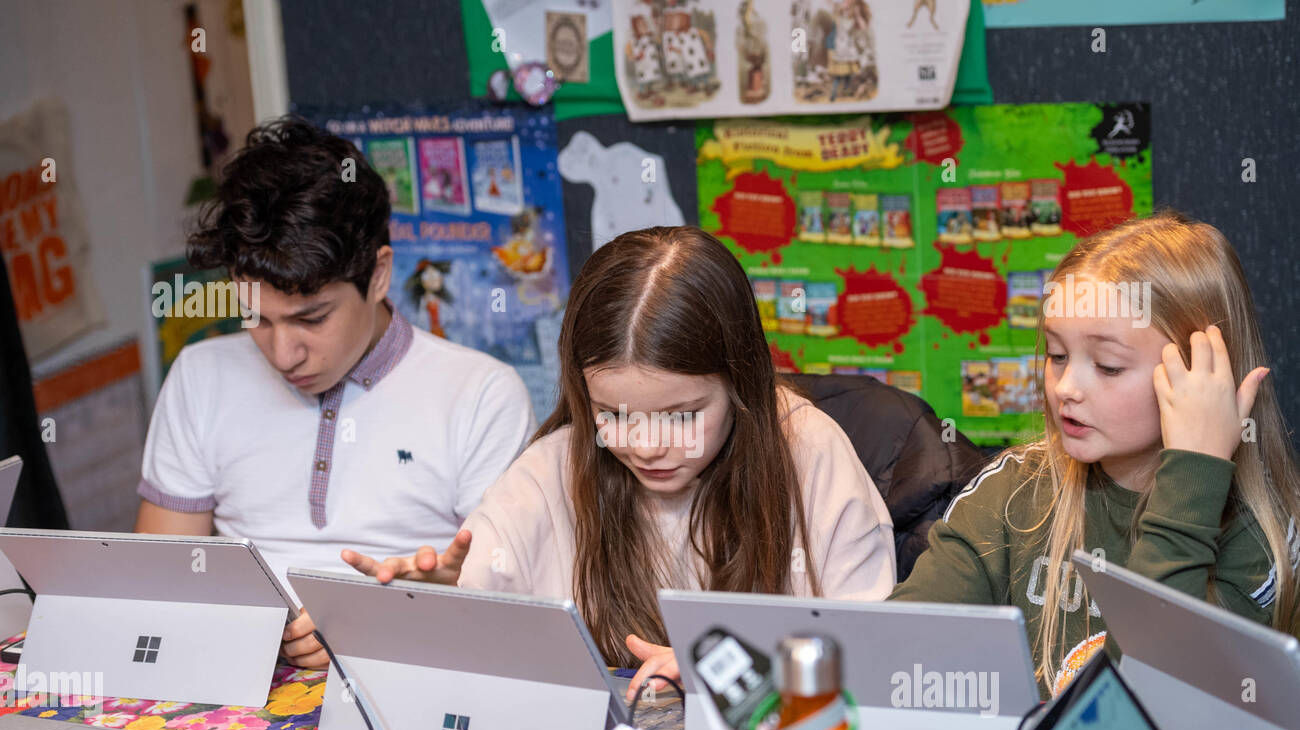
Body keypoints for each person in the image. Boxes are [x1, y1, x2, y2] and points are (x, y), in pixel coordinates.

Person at [343, 226, 897, 698]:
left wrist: (749, 670)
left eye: (682, 415)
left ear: (741, 381)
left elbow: (882, 660)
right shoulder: (548, 473)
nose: (647, 445)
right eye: (613, 412)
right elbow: (481, 662)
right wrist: (439, 605)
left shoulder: (811, 453)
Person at [136, 117, 535, 668]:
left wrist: (386, 622)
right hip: (235, 677)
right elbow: (162, 583)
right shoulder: (200, 377)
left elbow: (518, 616)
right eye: (255, 317)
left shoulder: (482, 396)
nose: (282, 354)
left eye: (311, 318)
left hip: (413, 674)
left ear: (378, 276)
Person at [892, 211, 1300, 698]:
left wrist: (1195, 474)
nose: (1065, 388)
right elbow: (898, 658)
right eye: (1057, 355)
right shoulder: (1012, 489)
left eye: (1107, 366)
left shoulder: (1262, 533)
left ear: (1202, 375)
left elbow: (1144, 713)